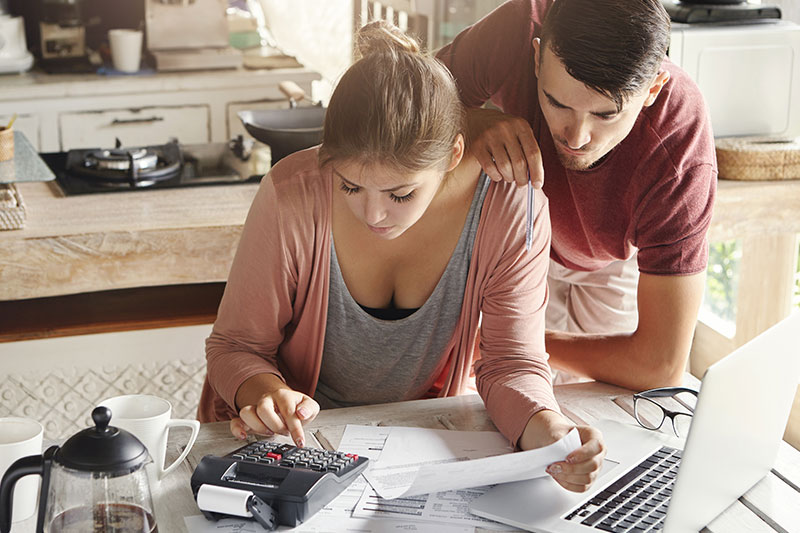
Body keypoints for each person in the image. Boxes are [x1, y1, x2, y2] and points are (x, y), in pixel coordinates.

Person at [198, 21, 604, 493]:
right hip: (284, 448)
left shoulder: (511, 207)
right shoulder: (293, 193)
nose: (373, 215)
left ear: (452, 154)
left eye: (400, 193)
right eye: (350, 185)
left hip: (413, 448)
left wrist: (550, 433)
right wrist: (270, 395)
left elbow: (510, 364)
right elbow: (235, 347)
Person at [436, 0, 717, 390]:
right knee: (486, 393)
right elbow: (402, 97)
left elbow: (659, 365)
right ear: (536, 59)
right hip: (512, 234)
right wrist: (470, 121)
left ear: (653, 89)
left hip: (611, 261)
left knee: (601, 404)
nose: (576, 137)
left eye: (605, 114)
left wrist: (519, 345)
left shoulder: (679, 146)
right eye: (557, 102)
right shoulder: (520, 26)